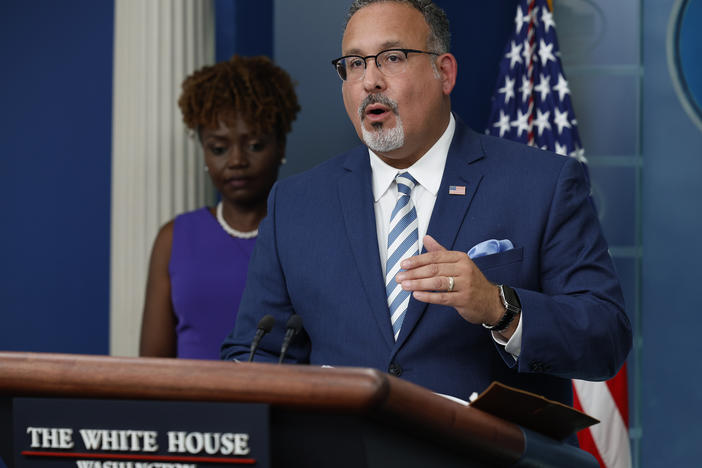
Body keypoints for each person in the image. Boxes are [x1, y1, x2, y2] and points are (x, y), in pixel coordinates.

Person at [221, 0, 632, 410]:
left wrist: (498, 306)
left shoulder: (542, 184)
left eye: (392, 58)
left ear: (445, 73)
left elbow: (605, 337)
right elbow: (257, 353)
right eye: (355, 64)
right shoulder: (297, 203)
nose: (370, 81)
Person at [140, 55, 300, 359]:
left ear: (280, 145)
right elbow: (151, 367)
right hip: (188, 405)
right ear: (203, 150)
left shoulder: (306, 235)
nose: (237, 161)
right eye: (219, 148)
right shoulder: (173, 238)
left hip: (278, 404)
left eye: (254, 145)